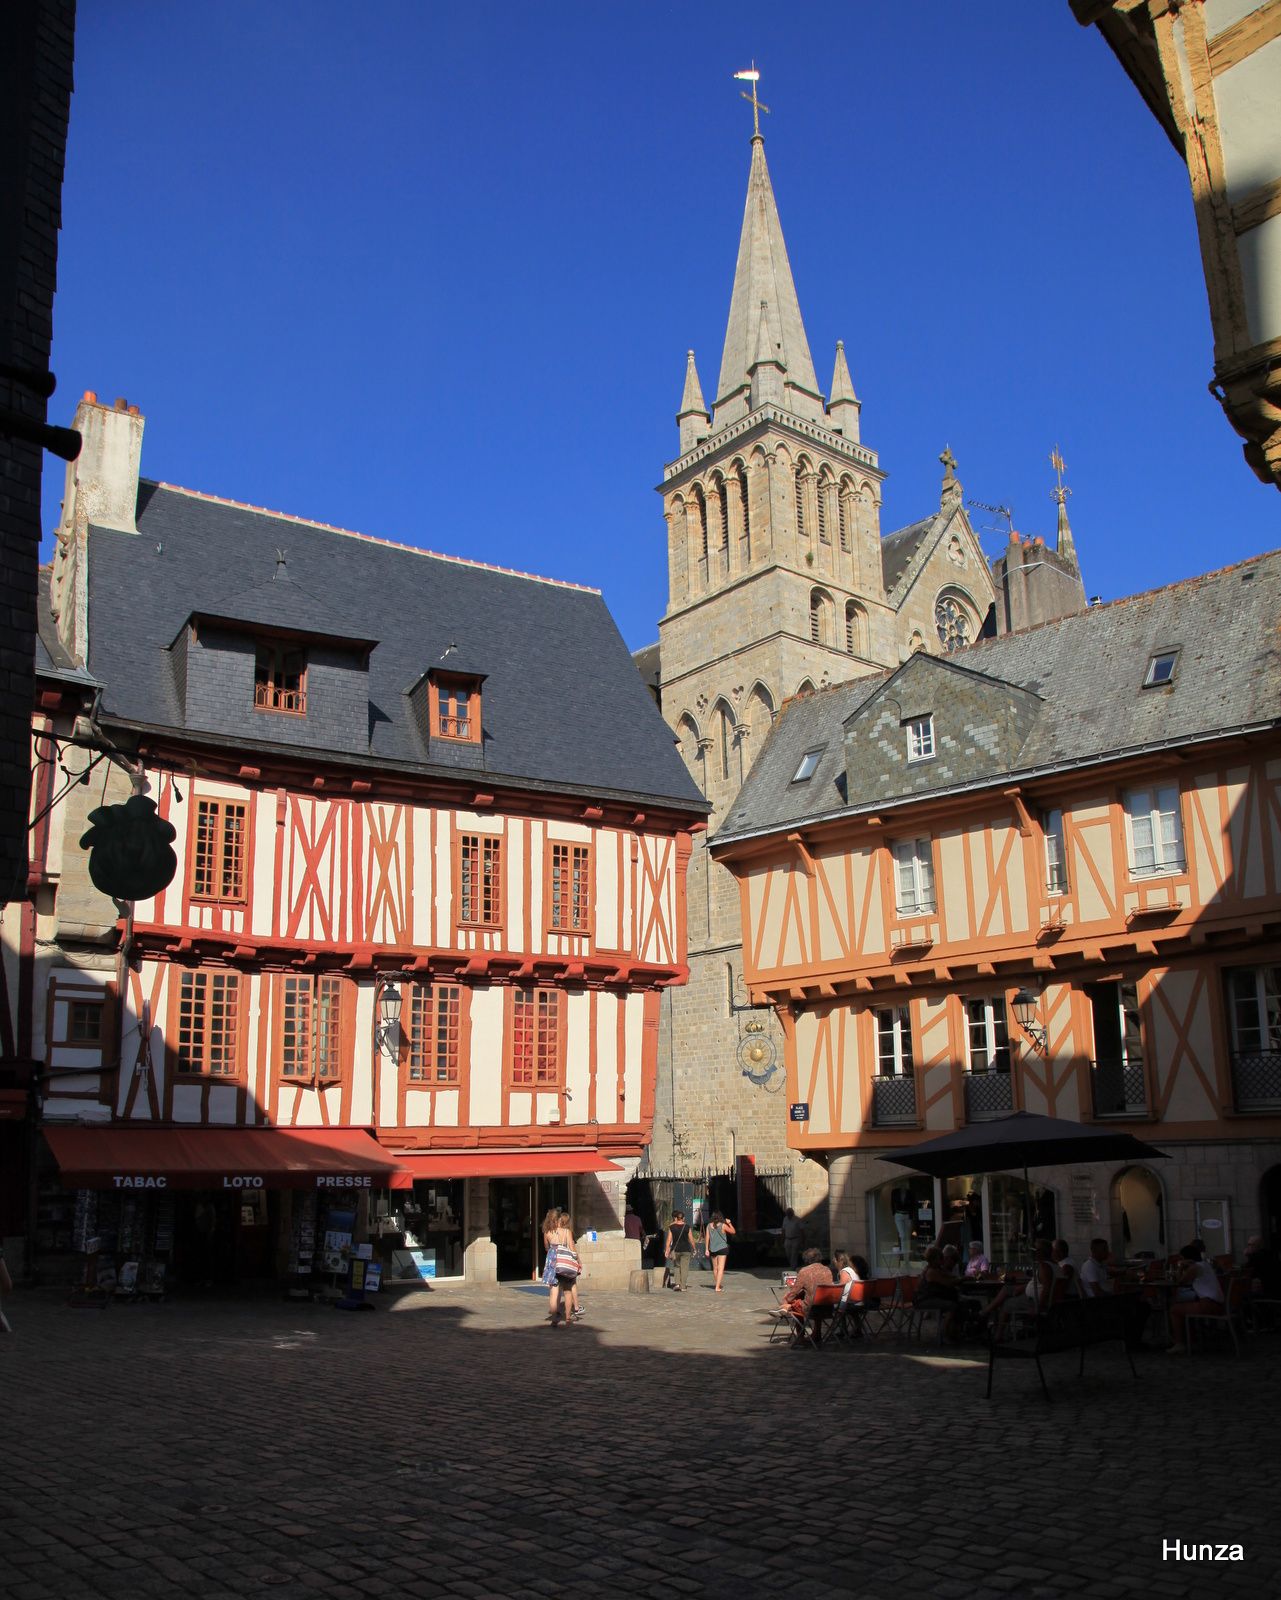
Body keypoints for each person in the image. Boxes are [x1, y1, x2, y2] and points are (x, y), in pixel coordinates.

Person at [1167, 1241, 1224, 1353]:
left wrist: (1181, 1267)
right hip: (1218, 1304)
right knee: (1185, 1305)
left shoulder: (1195, 1268)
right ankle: (1191, 1337)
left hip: (1208, 1304)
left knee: (1174, 1310)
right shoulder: (1205, 1265)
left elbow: (1180, 1281)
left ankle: (1179, 1343)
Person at [782, 1247, 835, 1347]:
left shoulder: (804, 1271)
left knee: (795, 1304)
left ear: (806, 1259)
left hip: (811, 1309)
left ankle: (801, 1337)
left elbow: (794, 1291)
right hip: (827, 1307)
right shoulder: (827, 1270)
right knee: (816, 1300)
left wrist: (785, 1300)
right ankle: (817, 1333)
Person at [918, 1245, 964, 1340]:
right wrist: (959, 1280)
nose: (942, 1261)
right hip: (924, 1300)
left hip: (932, 1297)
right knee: (952, 1306)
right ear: (934, 1259)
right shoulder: (931, 1271)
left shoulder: (937, 1269)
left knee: (956, 1301)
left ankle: (955, 1330)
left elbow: (949, 1276)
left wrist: (958, 1278)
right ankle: (944, 1332)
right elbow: (947, 1283)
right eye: (940, 1258)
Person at [549, 1211, 583, 1325]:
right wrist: (577, 1260)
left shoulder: (549, 1232)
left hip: (554, 1263)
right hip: (565, 1264)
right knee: (567, 1291)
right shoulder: (567, 1232)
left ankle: (554, 1318)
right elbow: (572, 1247)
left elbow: (546, 1247)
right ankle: (568, 1318)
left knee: (554, 1292)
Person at [541, 1206, 563, 1322]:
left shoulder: (547, 1232)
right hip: (562, 1257)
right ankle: (557, 1309)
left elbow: (546, 1246)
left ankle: (553, 1310)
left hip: (551, 1256)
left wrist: (550, 1251)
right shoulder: (563, 1231)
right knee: (559, 1286)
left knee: (553, 1286)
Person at [705, 1211, 736, 1293]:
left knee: (715, 1268)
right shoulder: (723, 1225)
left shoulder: (709, 1226)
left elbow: (707, 1238)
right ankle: (717, 1287)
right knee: (721, 1268)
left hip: (712, 1249)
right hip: (722, 1248)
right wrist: (730, 1223)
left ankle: (717, 1284)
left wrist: (706, 1249)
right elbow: (733, 1232)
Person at [664, 1210, 694, 1292]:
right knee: (684, 1268)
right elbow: (691, 1239)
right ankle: (683, 1286)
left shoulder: (672, 1227)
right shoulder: (687, 1227)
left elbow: (669, 1240)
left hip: (675, 1250)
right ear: (683, 1218)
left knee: (676, 1267)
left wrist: (667, 1250)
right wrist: (694, 1248)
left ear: (676, 1218)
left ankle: (677, 1284)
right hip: (686, 1250)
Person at [890, 1186, 914, 1262]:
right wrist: (894, 1213)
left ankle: (907, 1256)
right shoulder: (895, 1192)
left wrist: (911, 1216)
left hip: (907, 1215)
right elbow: (892, 1202)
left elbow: (912, 1204)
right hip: (898, 1214)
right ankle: (904, 1256)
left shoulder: (909, 1192)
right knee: (902, 1235)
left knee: (907, 1235)